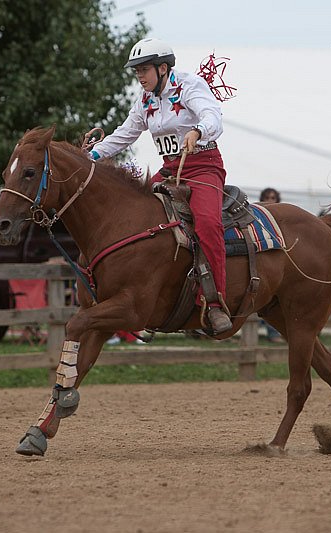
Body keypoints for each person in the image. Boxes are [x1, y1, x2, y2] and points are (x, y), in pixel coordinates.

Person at [88, 38, 232, 334]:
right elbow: (125, 134)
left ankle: (215, 303)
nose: (139, 76)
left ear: (163, 68)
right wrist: (91, 155)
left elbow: (213, 117)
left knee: (207, 223)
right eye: (136, 71)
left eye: (143, 70)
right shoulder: (145, 100)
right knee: (135, 218)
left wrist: (198, 130)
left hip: (204, 167)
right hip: (170, 170)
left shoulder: (190, 85)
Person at [256, 188, 285, 342]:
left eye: (273, 197)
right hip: (262, 263)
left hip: (275, 264)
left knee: (273, 302)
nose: (270, 200)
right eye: (267, 197)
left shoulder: (281, 221)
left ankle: (273, 334)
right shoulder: (256, 218)